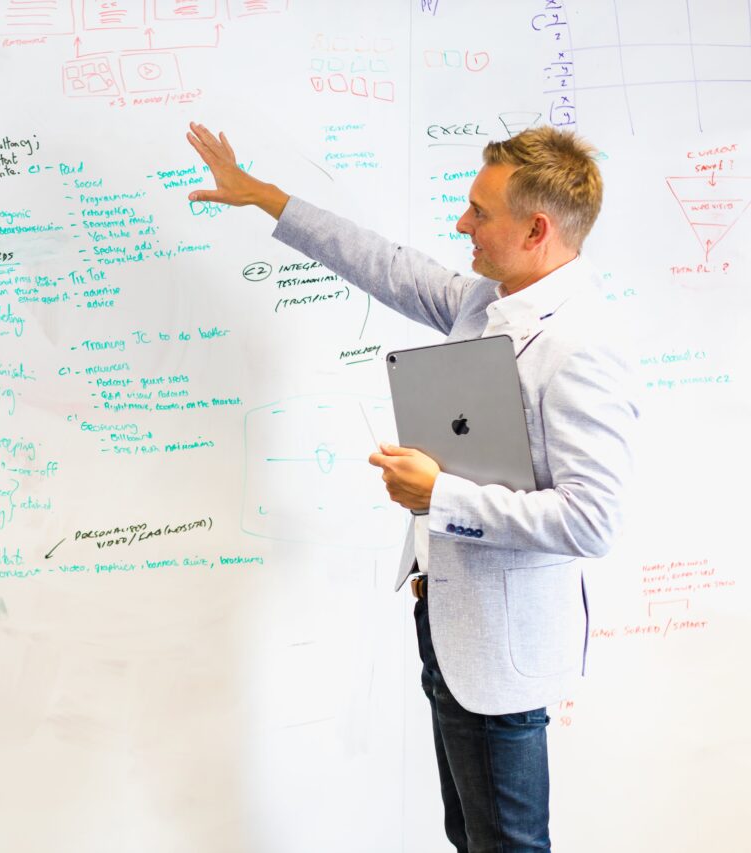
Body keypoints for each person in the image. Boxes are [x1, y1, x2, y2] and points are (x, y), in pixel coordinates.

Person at [185, 121, 637, 852]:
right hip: (453, 625)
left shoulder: (579, 345)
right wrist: (265, 197)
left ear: (536, 229)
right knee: (474, 835)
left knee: (508, 844)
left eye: (479, 213)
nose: (463, 223)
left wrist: (442, 496)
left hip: (501, 648)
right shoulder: (488, 299)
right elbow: (384, 264)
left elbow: (593, 519)